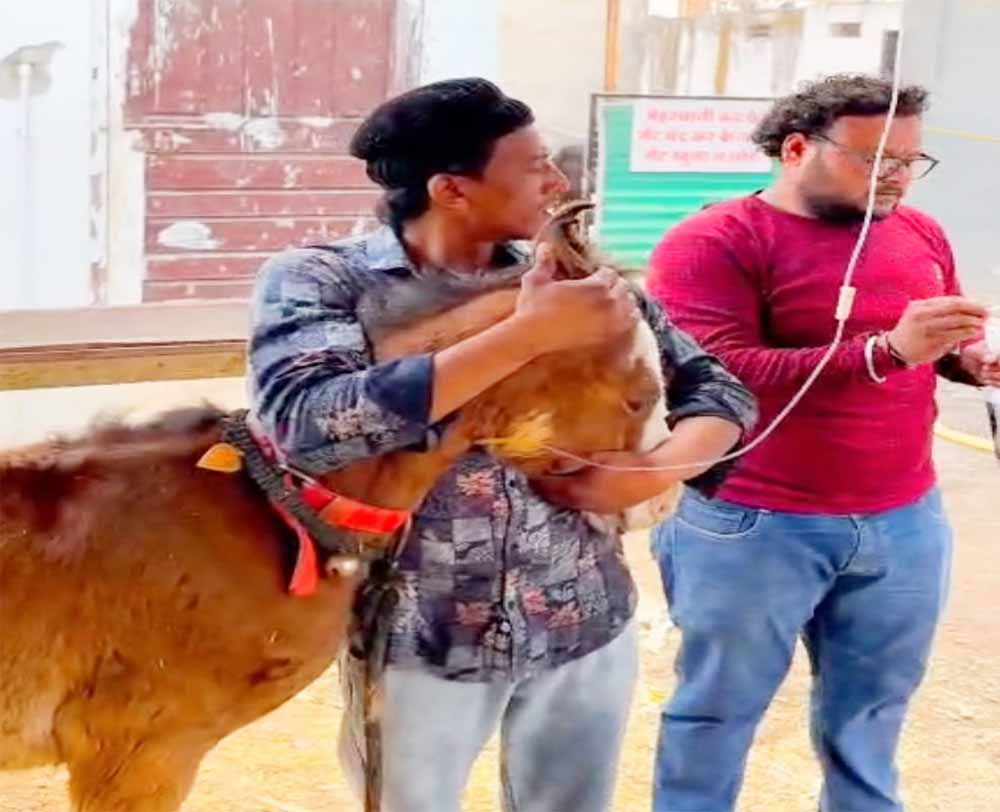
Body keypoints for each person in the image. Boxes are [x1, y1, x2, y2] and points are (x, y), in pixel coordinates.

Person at [247, 77, 756, 812]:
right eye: (534, 165)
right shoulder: (327, 279)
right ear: (452, 189)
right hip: (418, 633)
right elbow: (306, 423)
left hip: (584, 617)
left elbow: (719, 386)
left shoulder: (576, 278)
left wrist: (658, 470)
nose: (557, 182)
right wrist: (525, 335)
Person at [645, 74, 1000, 812]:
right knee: (716, 713)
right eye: (875, 160)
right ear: (796, 148)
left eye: (910, 161)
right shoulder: (712, 241)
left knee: (871, 718)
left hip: (905, 519)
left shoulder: (918, 231)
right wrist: (885, 353)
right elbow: (714, 374)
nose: (896, 177)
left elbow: (928, 347)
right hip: (753, 520)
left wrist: (968, 359)